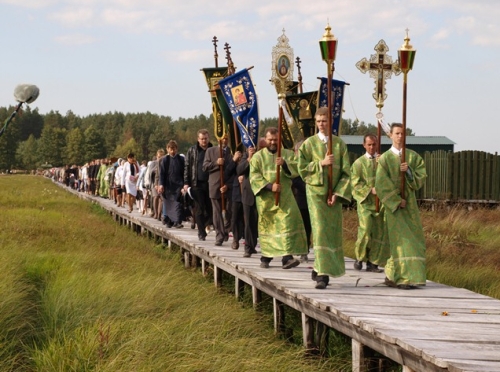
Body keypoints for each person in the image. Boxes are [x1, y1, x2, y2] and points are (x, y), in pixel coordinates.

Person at [298, 107, 352, 289]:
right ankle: (323, 275)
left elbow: (346, 173)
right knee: (320, 230)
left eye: (325, 121)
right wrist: (321, 163)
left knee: (332, 232)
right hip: (315, 193)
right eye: (319, 121)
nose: (322, 124)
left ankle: (318, 266)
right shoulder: (309, 144)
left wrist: (337, 193)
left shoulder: (339, 145)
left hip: (333, 195)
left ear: (331, 121)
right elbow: (302, 168)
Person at [375, 123, 427, 289]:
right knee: (400, 241)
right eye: (397, 133)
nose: (400, 136)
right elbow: (381, 185)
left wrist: (409, 171)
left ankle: (401, 275)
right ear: (390, 135)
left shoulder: (412, 157)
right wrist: (397, 201)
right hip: (394, 207)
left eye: (402, 133)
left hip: (410, 205)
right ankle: (402, 278)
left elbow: (420, 179)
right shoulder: (384, 159)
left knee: (414, 239)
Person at [250, 127, 307, 269]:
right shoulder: (258, 157)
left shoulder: (286, 154)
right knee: (269, 228)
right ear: (265, 139)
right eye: (270, 140)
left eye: (275, 140)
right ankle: (266, 257)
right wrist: (270, 186)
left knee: (286, 224)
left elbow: (296, 170)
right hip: (266, 199)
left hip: (285, 197)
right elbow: (254, 177)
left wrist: (285, 165)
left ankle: (286, 258)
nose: (273, 142)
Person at [351, 134, 389, 273]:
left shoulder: (382, 161)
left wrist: (383, 165)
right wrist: (369, 190)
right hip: (366, 202)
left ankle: (373, 262)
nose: (372, 147)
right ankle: (360, 257)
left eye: (374, 144)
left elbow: (389, 177)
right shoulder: (358, 163)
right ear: (364, 145)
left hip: (380, 203)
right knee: (366, 229)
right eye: (369, 144)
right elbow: (355, 183)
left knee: (379, 232)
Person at [203, 135, 241, 246]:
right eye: (223, 138)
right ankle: (219, 236)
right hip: (215, 186)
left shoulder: (232, 152)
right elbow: (204, 167)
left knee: (229, 211)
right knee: (217, 212)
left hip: (229, 186)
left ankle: (226, 230)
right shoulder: (210, 151)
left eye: (226, 138)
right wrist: (216, 163)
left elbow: (235, 171)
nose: (224, 140)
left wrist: (228, 185)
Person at [184, 129, 213, 241]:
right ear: (198, 139)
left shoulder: (213, 149)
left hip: (210, 183)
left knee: (210, 208)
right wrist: (186, 182)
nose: (204, 141)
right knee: (199, 208)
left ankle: (207, 224)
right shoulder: (192, 150)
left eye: (205, 138)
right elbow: (187, 166)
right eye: (202, 139)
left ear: (208, 138)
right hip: (197, 183)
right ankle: (201, 233)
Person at [159, 140, 185, 228]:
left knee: (178, 203)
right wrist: (161, 184)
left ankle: (177, 221)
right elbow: (162, 173)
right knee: (169, 203)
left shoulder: (181, 159)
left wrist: (184, 184)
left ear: (177, 149)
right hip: (168, 185)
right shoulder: (165, 160)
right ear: (167, 149)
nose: (172, 151)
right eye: (171, 149)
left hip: (178, 184)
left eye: (174, 149)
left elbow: (184, 173)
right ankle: (169, 221)